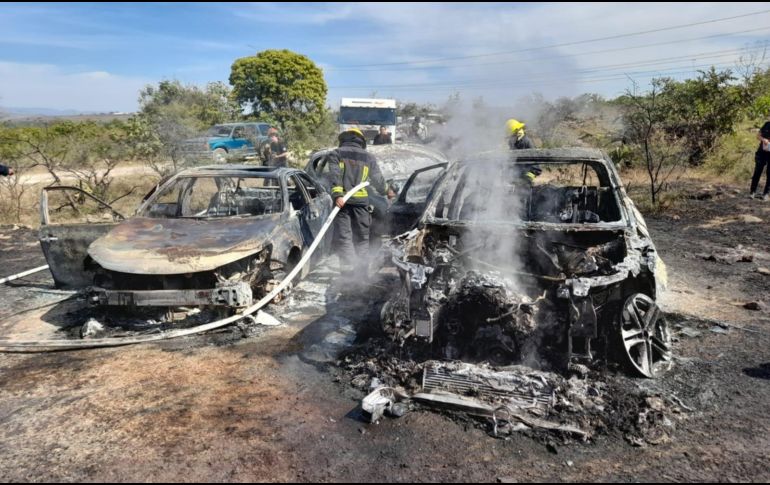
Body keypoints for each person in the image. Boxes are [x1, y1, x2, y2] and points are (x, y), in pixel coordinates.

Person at [328, 128, 394, 277]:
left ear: (343, 139)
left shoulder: (336, 153)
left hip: (342, 204)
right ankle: (361, 273)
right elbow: (377, 179)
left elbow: (334, 176)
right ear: (361, 140)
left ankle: (348, 276)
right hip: (361, 204)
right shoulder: (368, 157)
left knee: (344, 238)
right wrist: (387, 191)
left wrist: (338, 195)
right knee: (362, 238)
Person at [506, 118, 540, 183]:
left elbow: (536, 164)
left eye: (513, 134)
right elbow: (512, 159)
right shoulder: (513, 142)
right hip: (517, 173)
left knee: (524, 190)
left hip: (528, 173)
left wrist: (528, 176)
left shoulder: (527, 141)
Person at [750, 119, 770, 201]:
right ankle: (752, 192)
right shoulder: (767, 124)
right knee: (757, 171)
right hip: (761, 152)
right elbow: (758, 136)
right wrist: (763, 139)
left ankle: (766, 194)